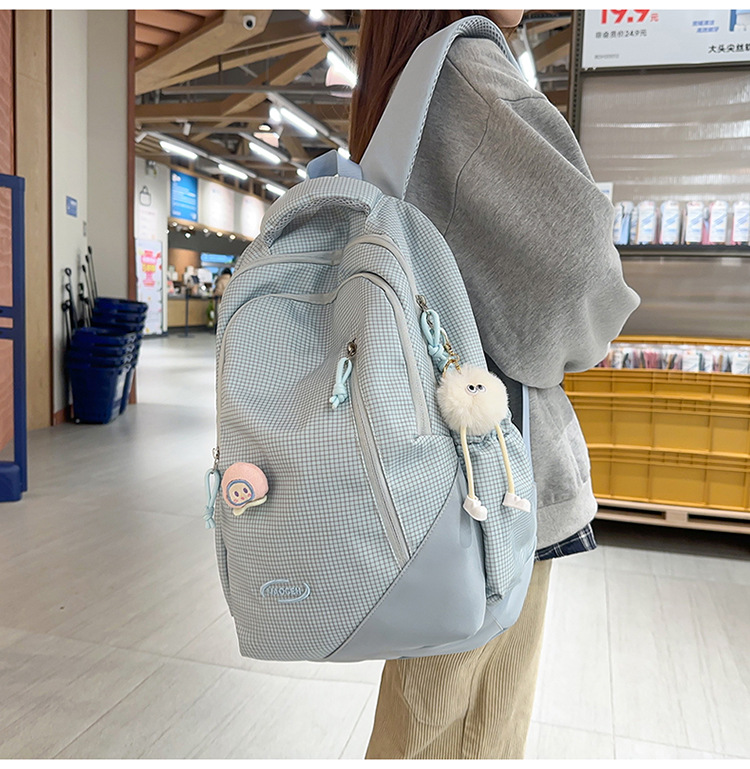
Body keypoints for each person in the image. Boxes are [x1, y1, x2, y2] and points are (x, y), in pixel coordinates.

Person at [349, 10, 640, 760]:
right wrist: (580, 344)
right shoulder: (468, 73)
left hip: (433, 470)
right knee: (467, 725)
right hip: (493, 480)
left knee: (438, 716)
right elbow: (578, 265)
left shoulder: (409, 83)